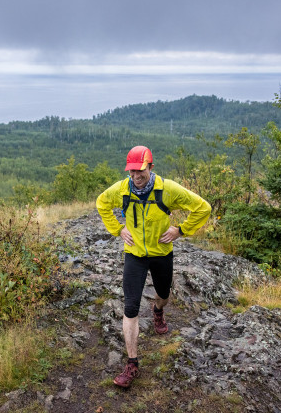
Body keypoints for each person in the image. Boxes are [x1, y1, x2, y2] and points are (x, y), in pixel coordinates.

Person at [96, 145, 211, 388]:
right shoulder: (122, 189)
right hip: (135, 254)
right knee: (130, 307)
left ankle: (158, 311)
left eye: (141, 171)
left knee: (164, 294)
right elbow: (101, 203)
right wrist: (118, 229)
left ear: (150, 167)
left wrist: (180, 230)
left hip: (161, 253)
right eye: (132, 172)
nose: (136, 177)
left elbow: (203, 207)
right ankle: (132, 363)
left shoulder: (167, 189)